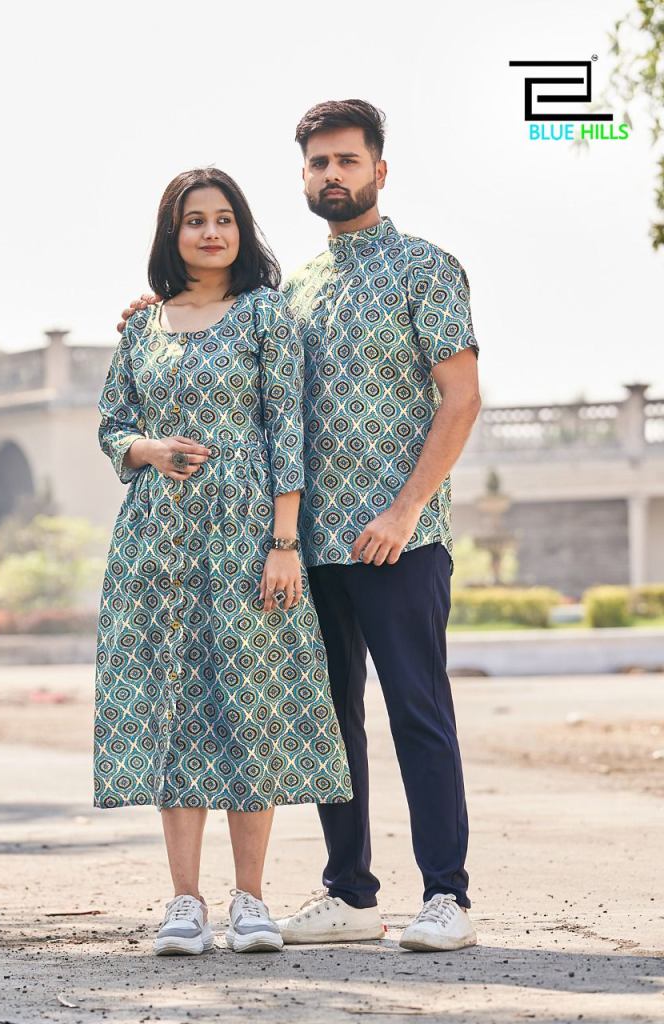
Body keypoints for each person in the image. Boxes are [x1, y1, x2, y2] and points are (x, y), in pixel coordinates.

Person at [119, 99, 482, 954]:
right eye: (319, 163)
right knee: (326, 719)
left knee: (418, 712)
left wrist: (404, 510)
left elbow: (460, 400)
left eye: (347, 161)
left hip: (398, 537)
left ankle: (446, 898)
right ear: (305, 176)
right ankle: (351, 893)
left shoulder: (426, 269)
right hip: (299, 545)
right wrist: (154, 312)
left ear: (379, 171)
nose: (332, 176)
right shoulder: (290, 290)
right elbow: (226, 351)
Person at [95, 167, 352, 957]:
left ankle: (250, 901)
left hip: (246, 537)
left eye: (224, 220)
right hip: (157, 543)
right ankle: (183, 902)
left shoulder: (265, 317)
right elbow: (113, 426)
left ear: (242, 231)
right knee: (173, 712)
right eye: (194, 221)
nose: (210, 233)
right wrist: (149, 448)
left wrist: (284, 545)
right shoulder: (143, 327)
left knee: (251, 711)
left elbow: (288, 433)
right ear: (172, 234)